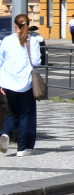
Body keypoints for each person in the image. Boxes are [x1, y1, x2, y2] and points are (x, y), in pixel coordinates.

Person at [0, 14, 42, 156]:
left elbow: (1, 61)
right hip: (26, 83)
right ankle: (23, 148)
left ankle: (5, 133)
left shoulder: (6, 40)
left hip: (9, 82)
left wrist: (1, 83)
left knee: (14, 112)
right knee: (26, 114)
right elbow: (36, 61)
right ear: (27, 25)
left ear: (15, 25)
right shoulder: (33, 40)